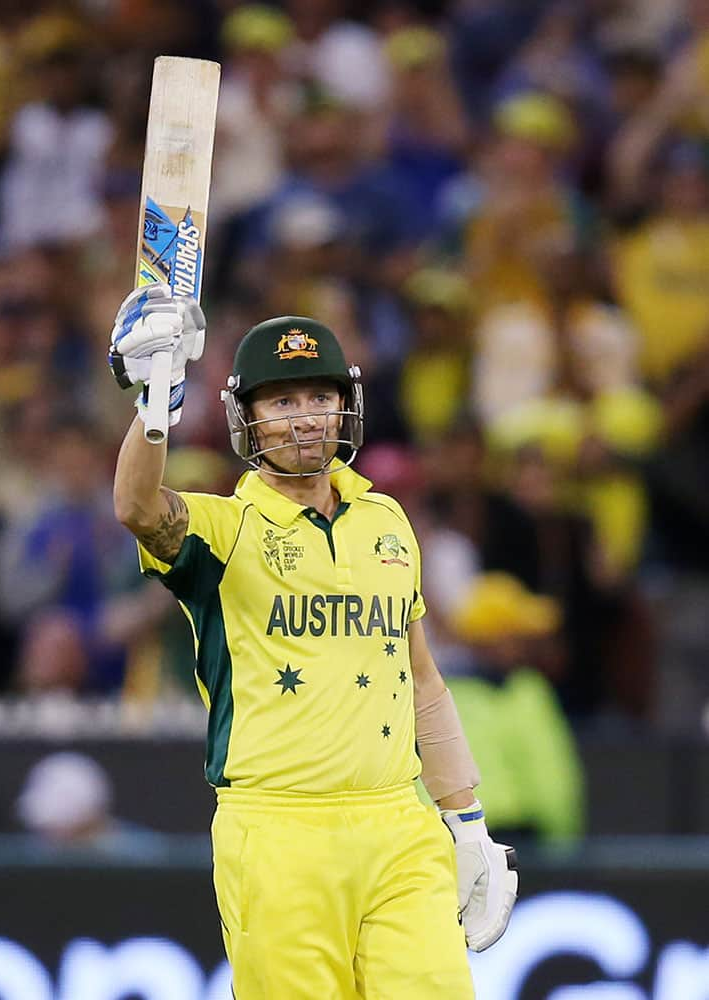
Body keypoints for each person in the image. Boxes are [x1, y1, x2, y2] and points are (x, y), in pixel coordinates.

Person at [108, 282, 518, 998]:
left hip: (399, 823)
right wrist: (153, 408)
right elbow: (138, 506)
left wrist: (467, 819)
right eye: (283, 403)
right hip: (278, 829)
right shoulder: (223, 531)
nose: (305, 419)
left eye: (319, 398)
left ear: (344, 405)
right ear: (248, 418)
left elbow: (419, 677)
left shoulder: (387, 519)